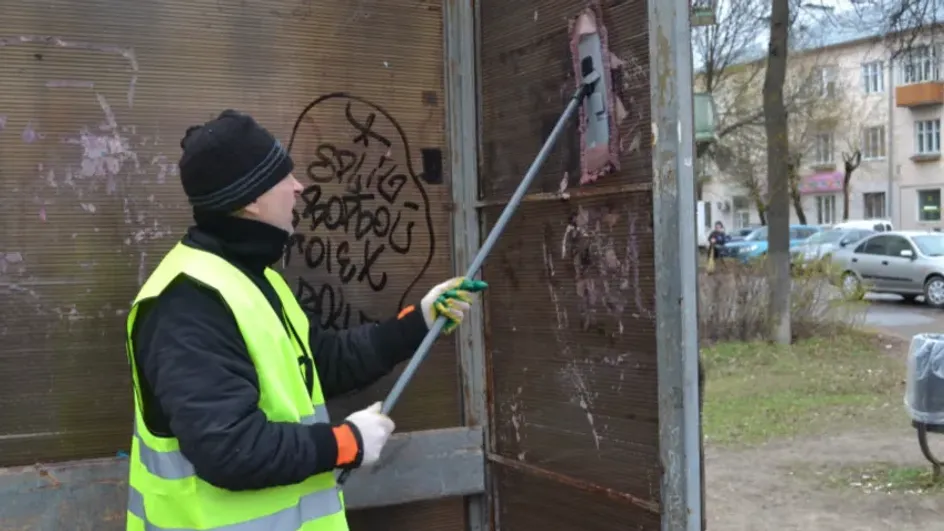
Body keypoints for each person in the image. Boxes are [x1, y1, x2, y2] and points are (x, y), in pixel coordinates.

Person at [123, 109, 487, 531]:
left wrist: (418, 323)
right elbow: (229, 448)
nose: (299, 187)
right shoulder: (188, 302)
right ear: (251, 199)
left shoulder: (255, 280)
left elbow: (323, 363)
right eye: (284, 177)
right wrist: (345, 442)